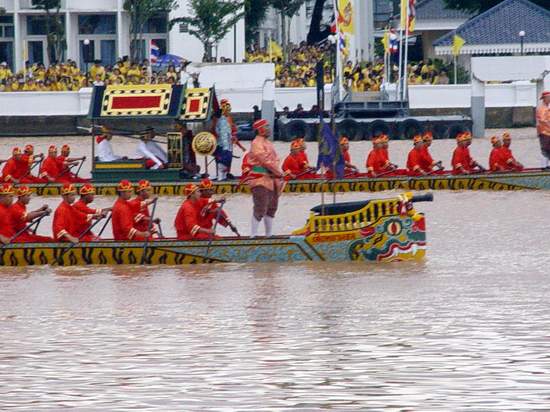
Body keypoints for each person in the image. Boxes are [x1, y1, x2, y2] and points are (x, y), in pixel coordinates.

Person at [246, 119, 284, 237]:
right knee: (260, 207)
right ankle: (253, 235)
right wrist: (278, 172)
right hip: (260, 180)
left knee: (272, 207)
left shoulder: (268, 143)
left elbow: (275, 159)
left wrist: (278, 172)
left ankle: (268, 234)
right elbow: (265, 160)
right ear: (260, 130)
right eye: (266, 127)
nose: (269, 129)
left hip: (272, 179)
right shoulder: (256, 143)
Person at [214, 102, 234, 181]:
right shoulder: (222, 121)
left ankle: (223, 177)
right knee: (223, 161)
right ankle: (221, 178)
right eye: (228, 110)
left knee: (225, 162)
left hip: (226, 144)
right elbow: (223, 135)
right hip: (224, 145)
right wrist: (226, 147)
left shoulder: (224, 120)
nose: (229, 112)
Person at [536, 91, 550, 168]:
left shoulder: (546, 108)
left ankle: (547, 165)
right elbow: (542, 120)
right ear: (544, 98)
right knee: (545, 149)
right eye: (548, 97)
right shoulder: (542, 109)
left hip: (547, 131)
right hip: (544, 132)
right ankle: (544, 166)